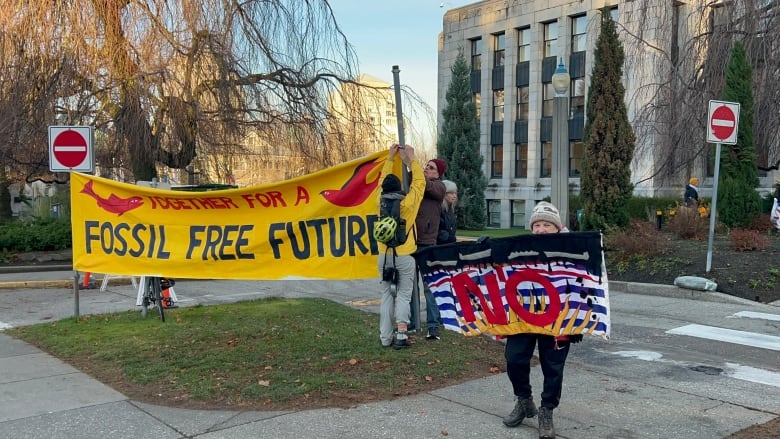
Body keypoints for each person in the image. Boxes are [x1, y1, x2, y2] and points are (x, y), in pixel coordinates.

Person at [503, 201, 581, 439]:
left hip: (557, 320)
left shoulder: (575, 251)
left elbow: (583, 287)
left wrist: (577, 323)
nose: (541, 229)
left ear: (558, 228)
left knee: (553, 367)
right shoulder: (521, 250)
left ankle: (547, 411)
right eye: (537, 225)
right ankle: (524, 400)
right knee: (514, 359)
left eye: (547, 224)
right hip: (524, 317)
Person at [377, 144, 426, 350]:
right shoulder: (408, 204)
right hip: (405, 254)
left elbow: (381, 181)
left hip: (384, 254)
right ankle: (402, 336)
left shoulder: (377, 202)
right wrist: (412, 159)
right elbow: (419, 183)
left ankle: (385, 338)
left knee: (387, 294)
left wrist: (390, 158)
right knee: (404, 295)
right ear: (399, 188)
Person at [409, 158, 447, 340]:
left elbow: (427, 187)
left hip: (427, 242)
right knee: (409, 285)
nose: (426, 169)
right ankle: (412, 322)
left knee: (429, 287)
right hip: (410, 241)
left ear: (438, 173)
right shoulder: (416, 181)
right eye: (426, 166)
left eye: (430, 168)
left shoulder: (439, 187)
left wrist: (413, 163)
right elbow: (407, 179)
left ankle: (433, 326)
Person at [437, 180, 458, 245]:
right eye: (451, 193)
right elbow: (436, 229)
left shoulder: (450, 209)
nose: (454, 196)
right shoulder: (438, 209)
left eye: (455, 193)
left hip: (449, 245)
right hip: (440, 245)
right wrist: (448, 237)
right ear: (444, 194)